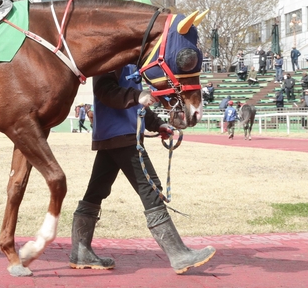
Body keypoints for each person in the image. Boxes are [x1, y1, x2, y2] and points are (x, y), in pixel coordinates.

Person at [69, 64, 215, 274]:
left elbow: (136, 107)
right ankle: (178, 254)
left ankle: (80, 252)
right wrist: (138, 96)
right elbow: (104, 91)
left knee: (95, 192)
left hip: (115, 135)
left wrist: (157, 124)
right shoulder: (111, 60)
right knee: (150, 189)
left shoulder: (131, 63)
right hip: (122, 136)